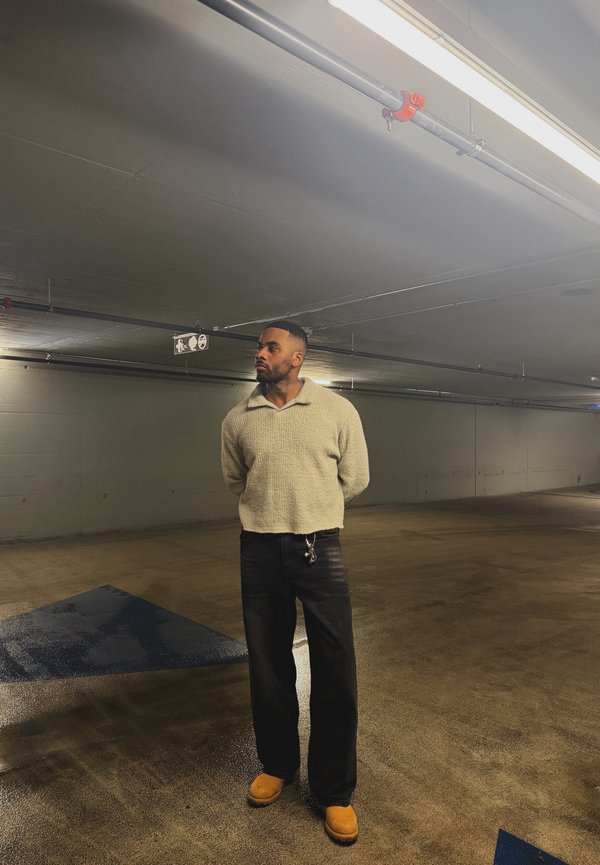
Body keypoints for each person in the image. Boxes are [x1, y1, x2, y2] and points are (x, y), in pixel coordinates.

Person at [221, 320, 369, 844]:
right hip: (259, 548)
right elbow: (236, 478)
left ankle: (333, 791)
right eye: (260, 346)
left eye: (271, 346)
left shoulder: (336, 411)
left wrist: (313, 508)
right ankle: (277, 766)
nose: (259, 353)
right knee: (267, 664)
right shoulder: (239, 418)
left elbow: (355, 477)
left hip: (319, 547)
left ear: (297, 358)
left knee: (335, 668)